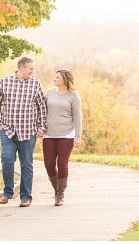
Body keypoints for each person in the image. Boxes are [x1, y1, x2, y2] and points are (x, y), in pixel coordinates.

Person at [0, 57, 46, 207]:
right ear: (22, 68)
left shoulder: (35, 83)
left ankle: (26, 197)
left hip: (28, 131)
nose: (32, 72)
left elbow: (42, 105)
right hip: (8, 130)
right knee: (7, 159)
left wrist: (42, 127)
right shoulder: (5, 81)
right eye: (30, 69)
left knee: (26, 164)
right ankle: (8, 192)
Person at [43, 69, 82, 206]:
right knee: (48, 164)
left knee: (62, 163)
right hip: (49, 134)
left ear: (65, 79)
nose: (54, 79)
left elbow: (77, 117)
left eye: (57, 77)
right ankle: (56, 189)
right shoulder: (49, 92)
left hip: (66, 133)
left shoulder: (73, 95)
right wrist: (40, 128)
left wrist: (78, 136)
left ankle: (60, 194)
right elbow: (42, 111)